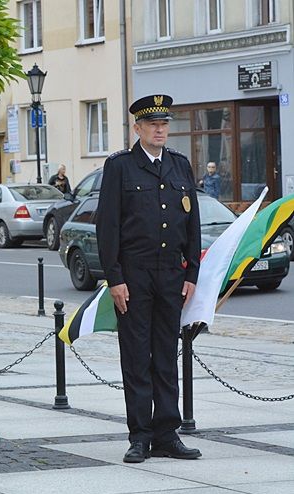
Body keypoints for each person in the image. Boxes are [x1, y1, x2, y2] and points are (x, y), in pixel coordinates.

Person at [95, 95, 202, 464]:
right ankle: (140, 435)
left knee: (167, 357)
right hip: (135, 276)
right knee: (137, 357)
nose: (160, 130)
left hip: (171, 275)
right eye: (153, 124)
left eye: (164, 124)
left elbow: (193, 225)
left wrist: (192, 274)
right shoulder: (120, 167)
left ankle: (167, 434)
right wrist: (115, 278)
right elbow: (107, 227)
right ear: (137, 128)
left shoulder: (179, 165)